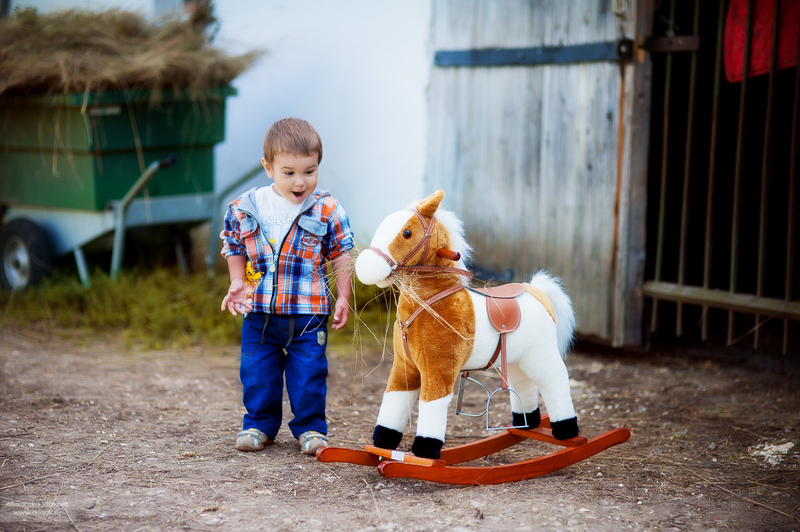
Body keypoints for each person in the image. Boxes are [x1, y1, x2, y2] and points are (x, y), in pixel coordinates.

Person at [219, 118, 354, 455]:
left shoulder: (327, 209)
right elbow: (234, 247)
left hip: (308, 314)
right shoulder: (245, 207)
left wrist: (343, 296)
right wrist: (237, 281)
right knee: (257, 372)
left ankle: (310, 429)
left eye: (309, 171)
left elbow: (341, 254)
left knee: (309, 373)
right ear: (268, 167)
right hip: (259, 312)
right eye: (289, 172)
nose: (300, 181)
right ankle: (258, 425)